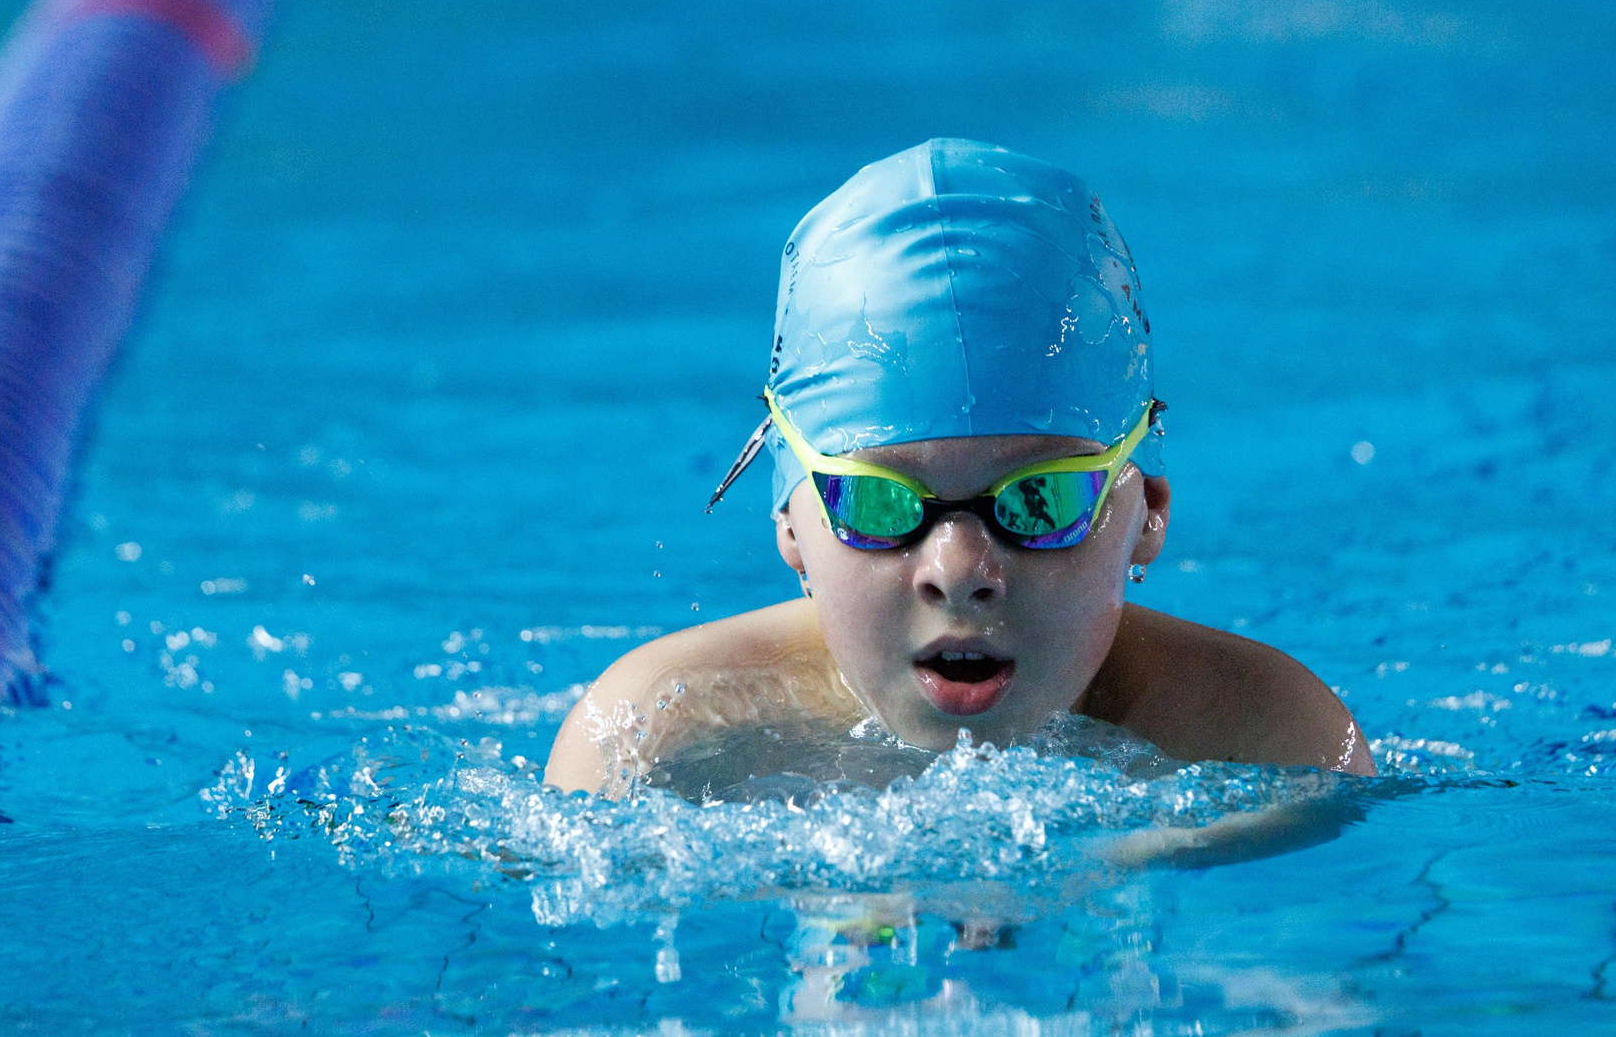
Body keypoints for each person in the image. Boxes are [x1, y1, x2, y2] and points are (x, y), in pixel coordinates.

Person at [544, 138, 1370, 799]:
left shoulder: (1273, 745)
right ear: (792, 525)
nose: (960, 571)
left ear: (1147, 512)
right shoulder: (650, 750)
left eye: (1041, 499)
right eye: (876, 501)